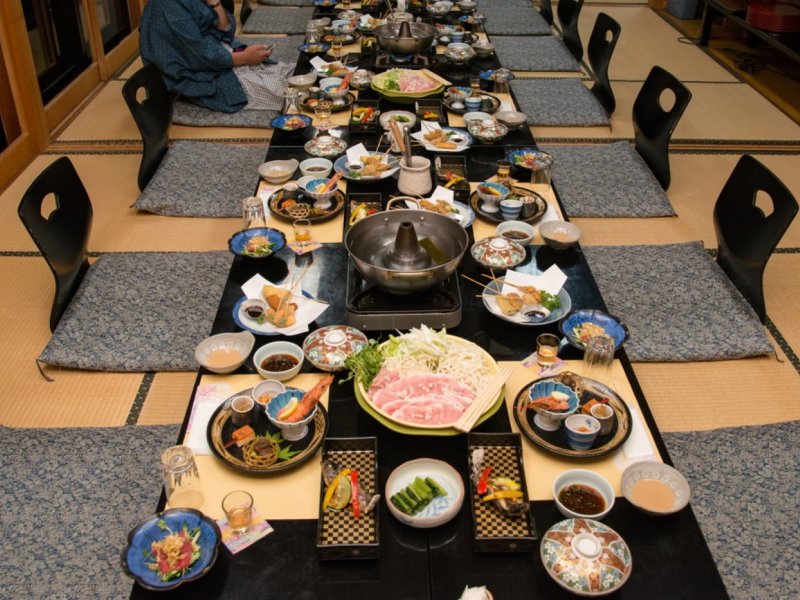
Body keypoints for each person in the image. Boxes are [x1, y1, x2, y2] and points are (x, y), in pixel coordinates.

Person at [140, 0, 294, 113]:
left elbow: (226, 31)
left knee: (293, 75)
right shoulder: (169, 7)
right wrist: (245, 58)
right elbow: (198, 55)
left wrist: (215, 3)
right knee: (287, 95)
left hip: (219, 55)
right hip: (194, 72)